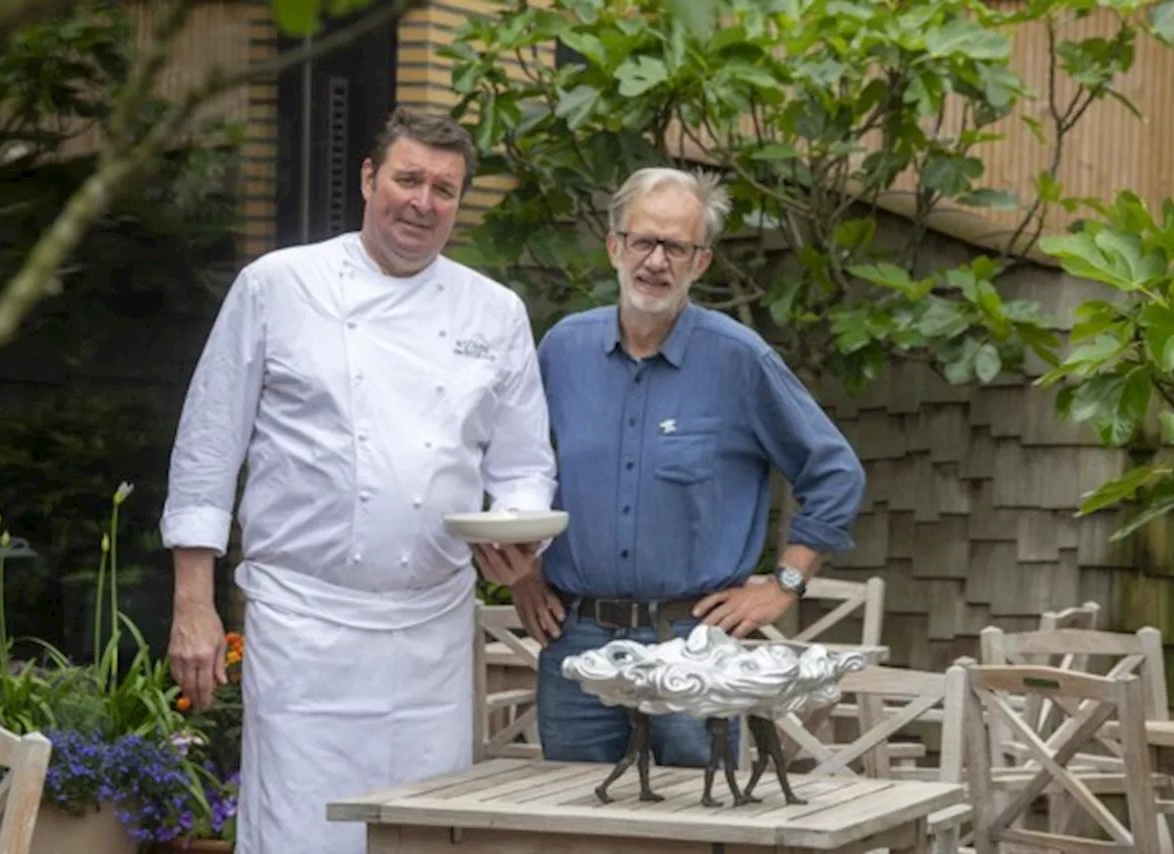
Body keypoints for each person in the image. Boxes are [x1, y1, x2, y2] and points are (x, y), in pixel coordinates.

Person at [159, 108, 556, 854]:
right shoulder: (278, 285)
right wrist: (194, 603)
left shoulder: (495, 311)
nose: (423, 202)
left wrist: (518, 532)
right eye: (409, 179)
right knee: (300, 833)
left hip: (432, 632)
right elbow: (208, 447)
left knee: (420, 832)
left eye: (445, 189)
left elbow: (524, 466)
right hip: (305, 624)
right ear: (370, 179)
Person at [514, 166, 866, 770]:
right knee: (570, 824)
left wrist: (783, 585)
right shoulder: (562, 351)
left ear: (700, 263)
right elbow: (510, 466)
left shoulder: (740, 359)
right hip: (577, 643)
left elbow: (835, 474)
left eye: (676, 246)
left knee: (696, 827)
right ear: (614, 246)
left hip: (693, 647)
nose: (656, 261)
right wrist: (520, 572)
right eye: (644, 241)